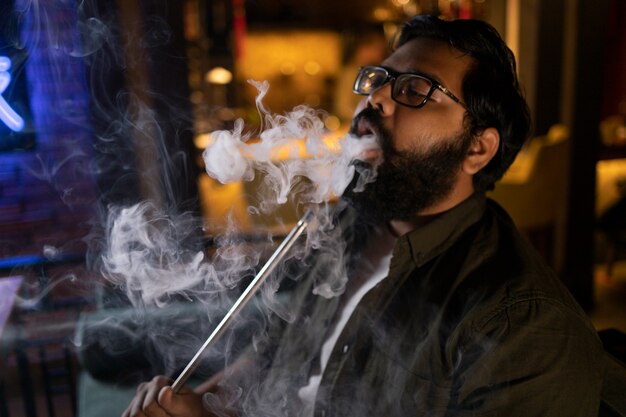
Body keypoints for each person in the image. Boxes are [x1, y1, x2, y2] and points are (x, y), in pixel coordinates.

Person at [123, 15, 606, 417]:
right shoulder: (342, 226)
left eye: (417, 89)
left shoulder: (523, 326)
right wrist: (194, 405)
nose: (376, 98)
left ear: (477, 148)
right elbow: (274, 355)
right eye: (378, 80)